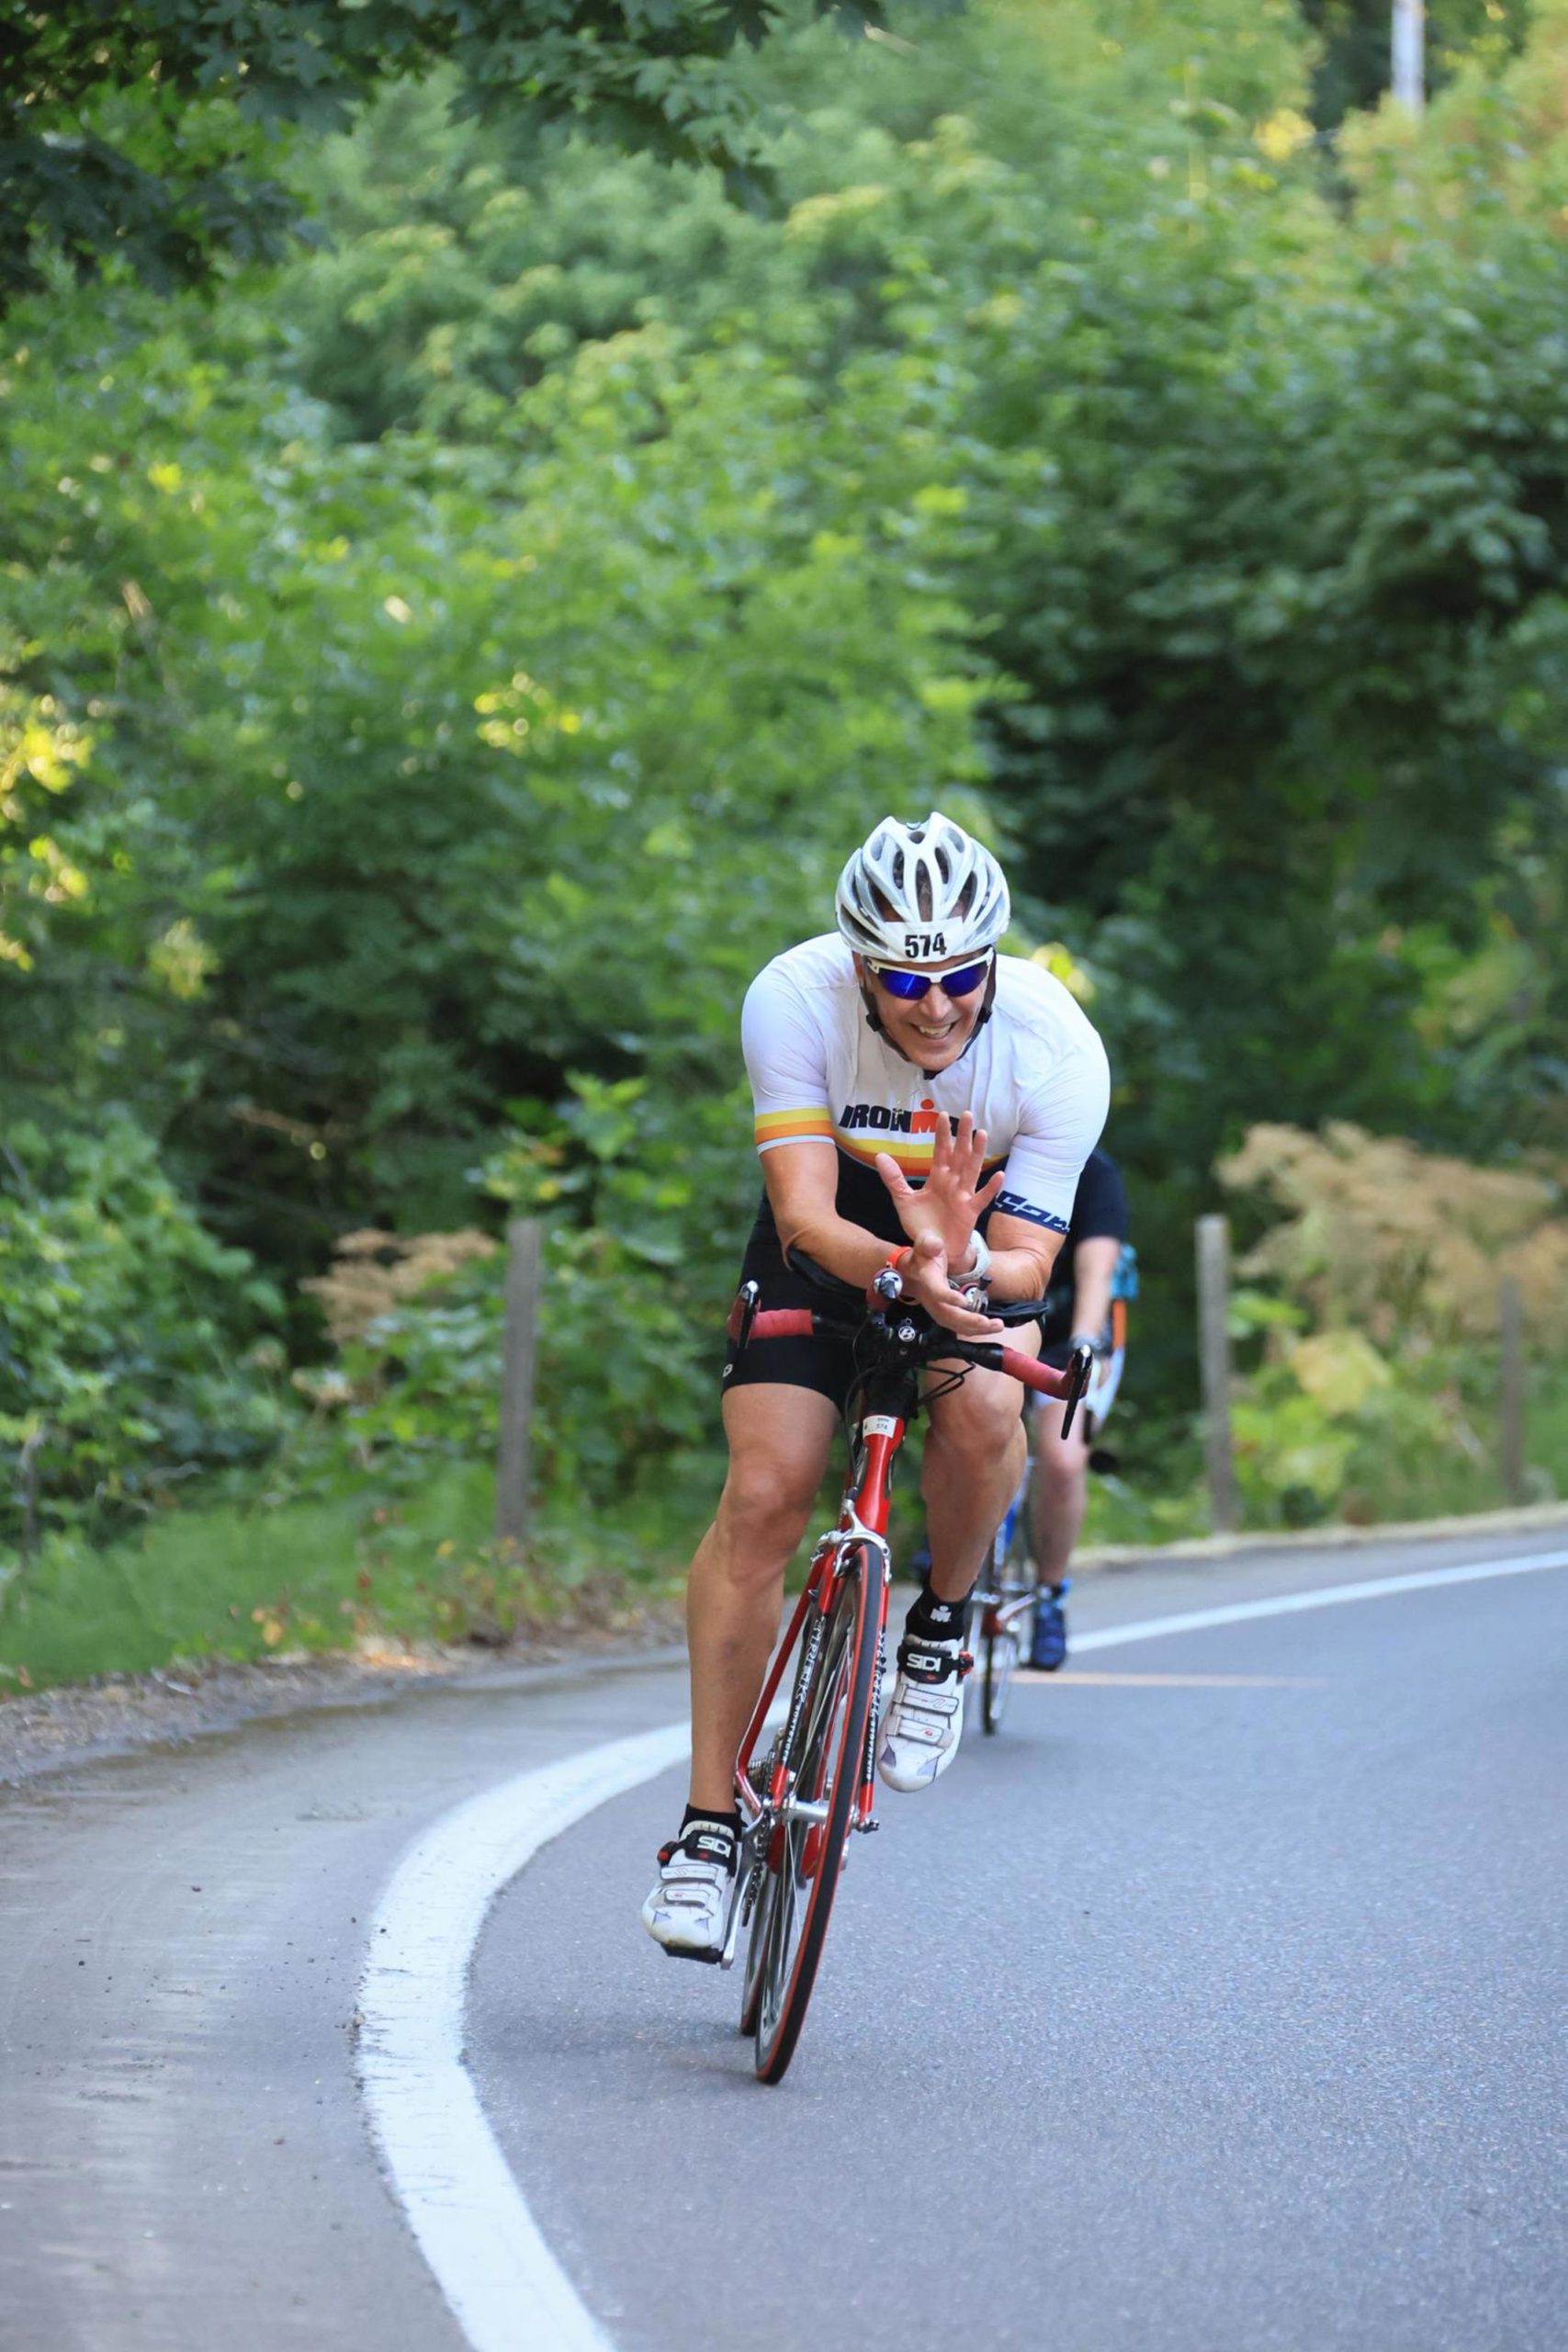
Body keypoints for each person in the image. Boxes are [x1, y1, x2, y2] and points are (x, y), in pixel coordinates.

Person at [642, 812, 1110, 1960]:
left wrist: (957, 1266)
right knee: (767, 1490)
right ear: (858, 963)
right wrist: (906, 1262)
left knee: (992, 1406)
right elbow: (801, 1211)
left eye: (959, 974)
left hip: (979, 1236)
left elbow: (1032, 1265)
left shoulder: (1057, 1046)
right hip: (838, 1234)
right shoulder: (793, 997)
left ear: (993, 959)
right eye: (904, 977)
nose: (936, 1003)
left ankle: (939, 1631)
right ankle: (707, 1829)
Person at [1025, 1147, 1134, 1670]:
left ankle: (1050, 1597)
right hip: (998, 1317)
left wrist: (1087, 1342)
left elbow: (1097, 1273)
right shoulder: (990, 1150)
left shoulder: (1094, 1173)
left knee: (1063, 1461)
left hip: (1073, 1329)